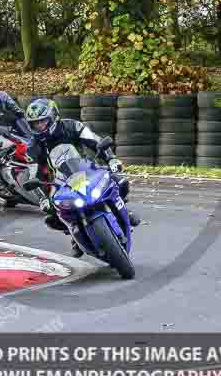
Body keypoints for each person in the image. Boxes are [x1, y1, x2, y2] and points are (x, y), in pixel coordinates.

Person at [24, 97, 140, 257]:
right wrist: (42, 197)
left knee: (119, 181)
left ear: (53, 116)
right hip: (60, 180)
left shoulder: (72, 126)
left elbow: (95, 140)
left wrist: (111, 158)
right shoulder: (33, 146)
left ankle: (124, 210)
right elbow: (32, 172)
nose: (39, 126)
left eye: (42, 121)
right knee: (52, 213)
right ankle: (75, 235)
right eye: (35, 123)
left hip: (87, 168)